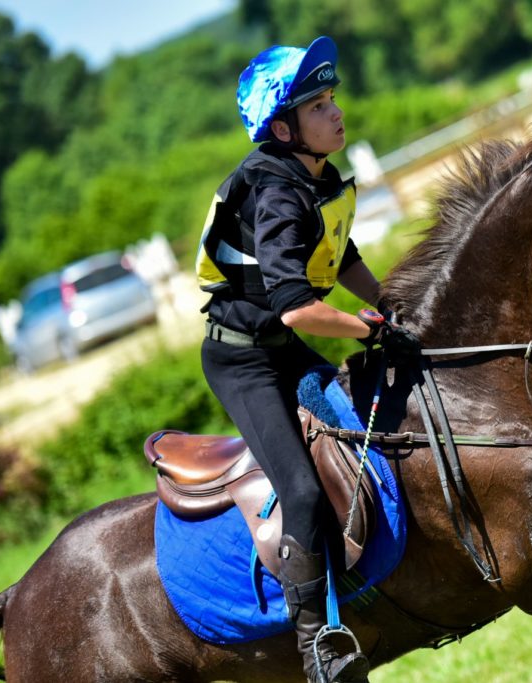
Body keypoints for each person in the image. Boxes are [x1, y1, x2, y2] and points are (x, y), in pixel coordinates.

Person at [195, 36, 417, 683]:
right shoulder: (275, 192)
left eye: (332, 98)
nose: (336, 112)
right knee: (299, 487)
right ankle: (315, 642)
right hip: (242, 362)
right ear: (284, 126)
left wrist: (392, 304)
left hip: (280, 345)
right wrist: (364, 325)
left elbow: (340, 258)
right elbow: (295, 304)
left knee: (356, 431)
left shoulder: (312, 176)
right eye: (318, 105)